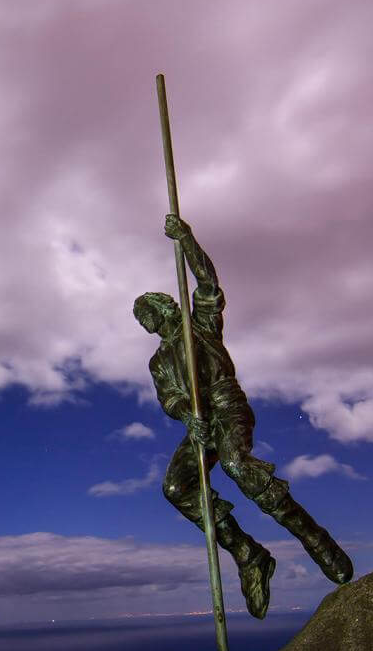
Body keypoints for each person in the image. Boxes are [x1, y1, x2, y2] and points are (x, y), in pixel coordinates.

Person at [134, 214, 352, 618]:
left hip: (227, 405)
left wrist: (187, 239)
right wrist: (187, 415)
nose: (143, 319)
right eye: (139, 316)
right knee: (175, 488)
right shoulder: (159, 360)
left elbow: (207, 285)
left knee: (237, 465)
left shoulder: (199, 325)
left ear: (164, 305)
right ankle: (248, 553)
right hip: (201, 423)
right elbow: (170, 399)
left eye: (146, 309)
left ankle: (316, 541)